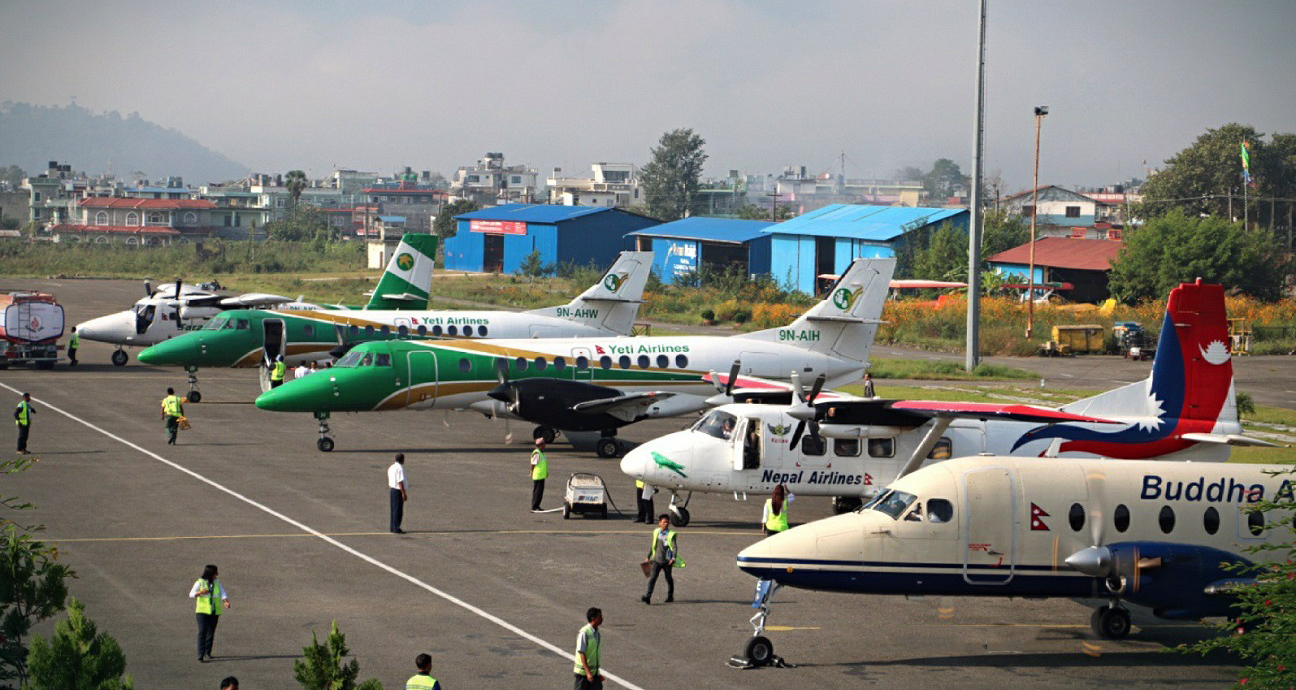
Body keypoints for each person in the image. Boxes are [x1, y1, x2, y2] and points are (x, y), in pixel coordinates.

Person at [189, 564, 230, 662]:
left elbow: (223, 593)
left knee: (211, 632)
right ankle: (200, 654)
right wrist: (200, 593)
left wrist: (226, 601)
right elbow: (191, 594)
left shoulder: (217, 583)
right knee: (202, 631)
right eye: (216, 572)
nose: (217, 574)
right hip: (202, 611)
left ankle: (208, 652)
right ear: (211, 573)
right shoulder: (200, 582)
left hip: (214, 611)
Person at [642, 514, 683, 604]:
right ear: (659, 523)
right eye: (664, 522)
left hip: (667, 562)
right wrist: (648, 557)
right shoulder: (656, 532)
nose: (666, 524)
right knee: (652, 578)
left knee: (668, 578)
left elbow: (674, 547)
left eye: (667, 522)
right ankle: (648, 597)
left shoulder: (671, 535)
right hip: (656, 560)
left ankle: (670, 596)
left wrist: (673, 558)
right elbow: (653, 545)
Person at [573, 607, 603, 690]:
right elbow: (581, 653)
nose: (602, 619)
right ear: (593, 618)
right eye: (599, 617)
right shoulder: (584, 633)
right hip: (583, 675)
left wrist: (597, 673)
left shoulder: (597, 633)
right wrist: (588, 672)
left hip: (594, 674)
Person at [389, 453, 408, 534]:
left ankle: (392, 527)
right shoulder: (399, 468)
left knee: (393, 509)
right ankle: (396, 528)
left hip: (392, 489)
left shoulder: (391, 467)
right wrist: (403, 493)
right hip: (398, 490)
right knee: (398, 510)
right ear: (402, 460)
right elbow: (400, 481)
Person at [529, 438, 547, 512]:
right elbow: (533, 464)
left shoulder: (541, 452)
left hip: (541, 475)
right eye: (544, 443)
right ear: (541, 445)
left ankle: (537, 505)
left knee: (540, 492)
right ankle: (535, 506)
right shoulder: (537, 453)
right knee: (537, 492)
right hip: (538, 475)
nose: (545, 445)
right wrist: (531, 472)